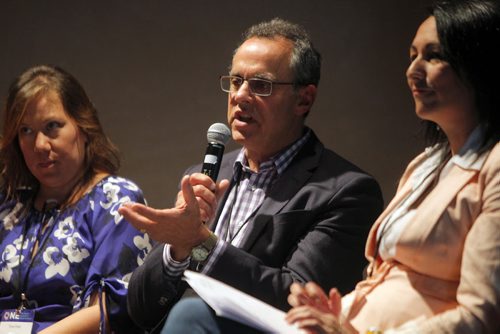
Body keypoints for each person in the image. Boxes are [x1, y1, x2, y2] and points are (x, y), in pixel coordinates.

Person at [119, 18, 383, 333]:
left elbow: (301, 302)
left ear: (304, 99)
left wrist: (201, 244)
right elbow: (140, 310)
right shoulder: (202, 177)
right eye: (235, 81)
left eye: (261, 85)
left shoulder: (346, 191)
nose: (240, 96)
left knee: (190, 314)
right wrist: (177, 248)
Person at [286, 0, 500, 333]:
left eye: (433, 56)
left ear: (479, 65)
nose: (413, 70)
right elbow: (390, 281)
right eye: (412, 55)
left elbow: (483, 315)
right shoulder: (425, 164)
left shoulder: (495, 166)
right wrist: (335, 312)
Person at [0, 65, 153, 333]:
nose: (39, 145)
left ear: (82, 126)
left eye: (52, 127)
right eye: (26, 130)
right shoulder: (9, 205)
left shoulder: (117, 200)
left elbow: (109, 310)